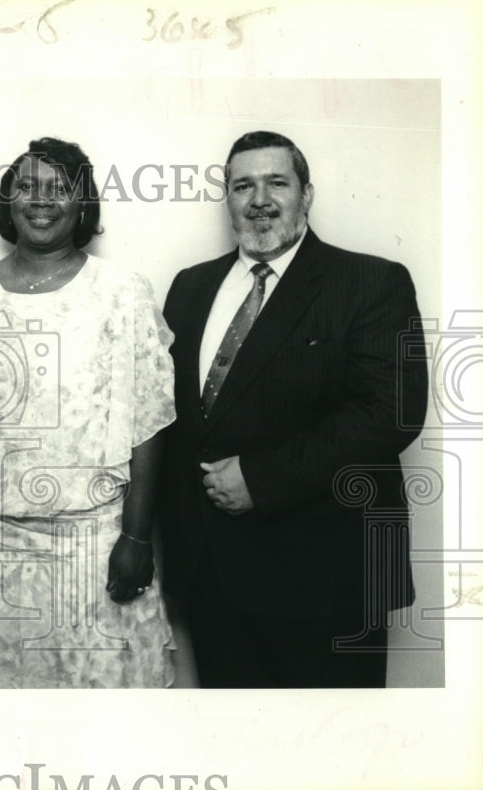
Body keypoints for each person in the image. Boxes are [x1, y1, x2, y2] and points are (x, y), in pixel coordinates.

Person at [159, 130, 428, 688]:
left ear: (306, 194)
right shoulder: (189, 287)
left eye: (276, 182)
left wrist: (261, 478)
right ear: (228, 198)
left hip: (325, 580)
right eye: (243, 185)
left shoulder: (371, 281)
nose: (260, 199)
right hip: (212, 580)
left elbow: (390, 411)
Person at [0, 137, 176, 688]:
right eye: (26, 186)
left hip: (92, 549)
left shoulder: (122, 293)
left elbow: (150, 422)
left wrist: (136, 540)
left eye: (59, 187)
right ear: (7, 201)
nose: (41, 200)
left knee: (100, 727)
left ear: (83, 203)